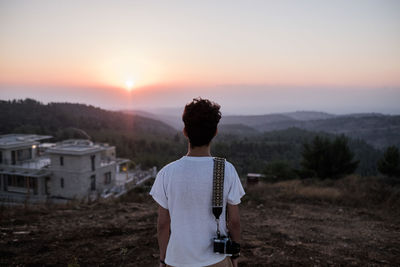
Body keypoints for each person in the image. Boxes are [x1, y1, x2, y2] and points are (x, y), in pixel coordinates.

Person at [150, 98, 245, 267]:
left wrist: (163, 258)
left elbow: (163, 224)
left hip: (177, 260)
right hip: (216, 260)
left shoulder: (167, 173)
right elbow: (234, 222)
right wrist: (235, 255)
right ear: (215, 132)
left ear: (185, 131)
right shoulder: (226, 170)